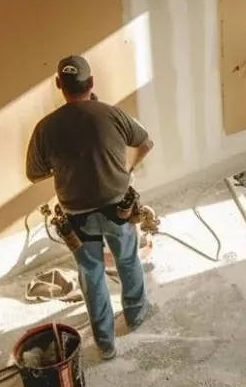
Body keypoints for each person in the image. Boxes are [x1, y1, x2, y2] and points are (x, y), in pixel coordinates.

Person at [26, 55, 155, 360]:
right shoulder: (112, 114)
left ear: (60, 85)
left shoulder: (46, 128)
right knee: (127, 262)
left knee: (91, 274)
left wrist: (64, 166)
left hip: (77, 217)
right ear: (92, 83)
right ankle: (136, 316)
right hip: (118, 208)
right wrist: (130, 170)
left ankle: (105, 343)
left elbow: (35, 173)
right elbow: (146, 143)